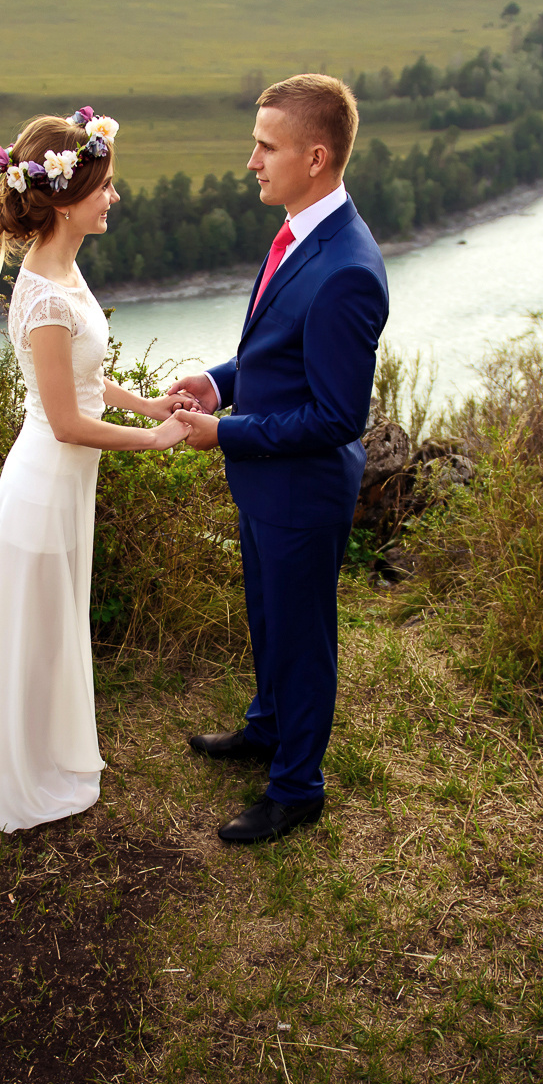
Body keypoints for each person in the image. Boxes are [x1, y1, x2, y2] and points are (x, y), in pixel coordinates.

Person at [0, 109, 193, 833]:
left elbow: (84, 380)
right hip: (45, 486)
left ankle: (44, 757)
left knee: (51, 625)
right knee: (35, 633)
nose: (115, 197)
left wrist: (144, 401)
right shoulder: (44, 296)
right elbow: (68, 421)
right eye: (106, 186)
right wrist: (159, 440)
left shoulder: (61, 270)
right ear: (66, 195)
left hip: (66, 483)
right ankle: (17, 776)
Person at [169, 74, 390, 845]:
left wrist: (223, 433)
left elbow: (337, 415)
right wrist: (217, 382)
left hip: (303, 487)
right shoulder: (300, 227)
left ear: (317, 156)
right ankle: (268, 728)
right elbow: (276, 352)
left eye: (267, 146)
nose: (252, 161)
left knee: (302, 634)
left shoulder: (348, 270)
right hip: (267, 478)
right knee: (269, 616)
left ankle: (298, 786)